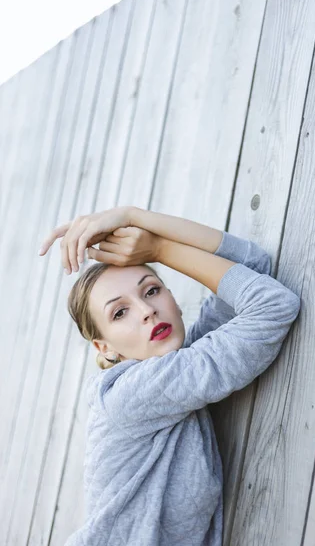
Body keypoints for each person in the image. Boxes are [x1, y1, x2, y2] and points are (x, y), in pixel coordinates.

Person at [38, 206, 301, 545]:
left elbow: (251, 269)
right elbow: (274, 306)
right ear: (105, 349)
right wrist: (161, 250)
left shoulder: (178, 365)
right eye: (120, 312)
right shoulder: (136, 391)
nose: (147, 311)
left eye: (151, 290)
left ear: (174, 300)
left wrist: (135, 217)